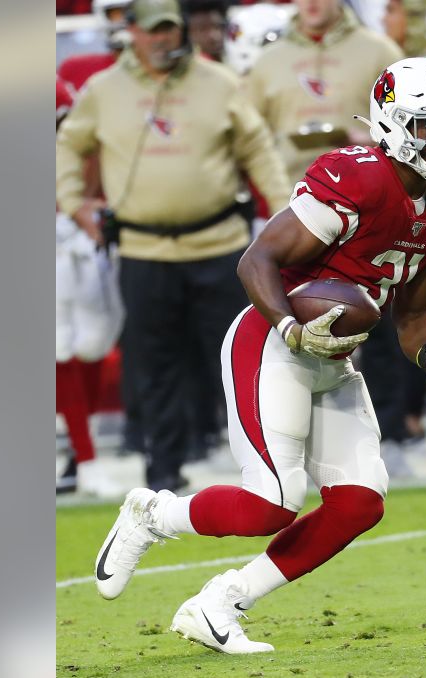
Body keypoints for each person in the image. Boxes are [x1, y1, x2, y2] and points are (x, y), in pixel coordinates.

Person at [92, 57, 426, 654]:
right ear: (394, 123)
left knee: (359, 502)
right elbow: (256, 261)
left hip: (335, 356)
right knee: (271, 503)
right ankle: (152, 515)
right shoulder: (360, 178)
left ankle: (221, 602)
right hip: (274, 339)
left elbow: (413, 312)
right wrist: (294, 330)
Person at [56, 0, 290, 493]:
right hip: (145, 251)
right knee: (154, 367)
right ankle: (162, 471)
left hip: (219, 242)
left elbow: (258, 148)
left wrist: (284, 211)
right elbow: (68, 146)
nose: (164, 40)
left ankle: (268, 467)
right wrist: (74, 203)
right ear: (133, 34)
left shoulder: (218, 82)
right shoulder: (103, 90)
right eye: (154, 31)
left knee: (238, 357)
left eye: (171, 30)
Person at [246, 0, 403, 184]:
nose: (311, 2)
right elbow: (251, 141)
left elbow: (410, 132)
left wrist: (374, 140)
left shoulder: (381, 52)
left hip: (368, 189)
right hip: (291, 195)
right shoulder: (267, 60)